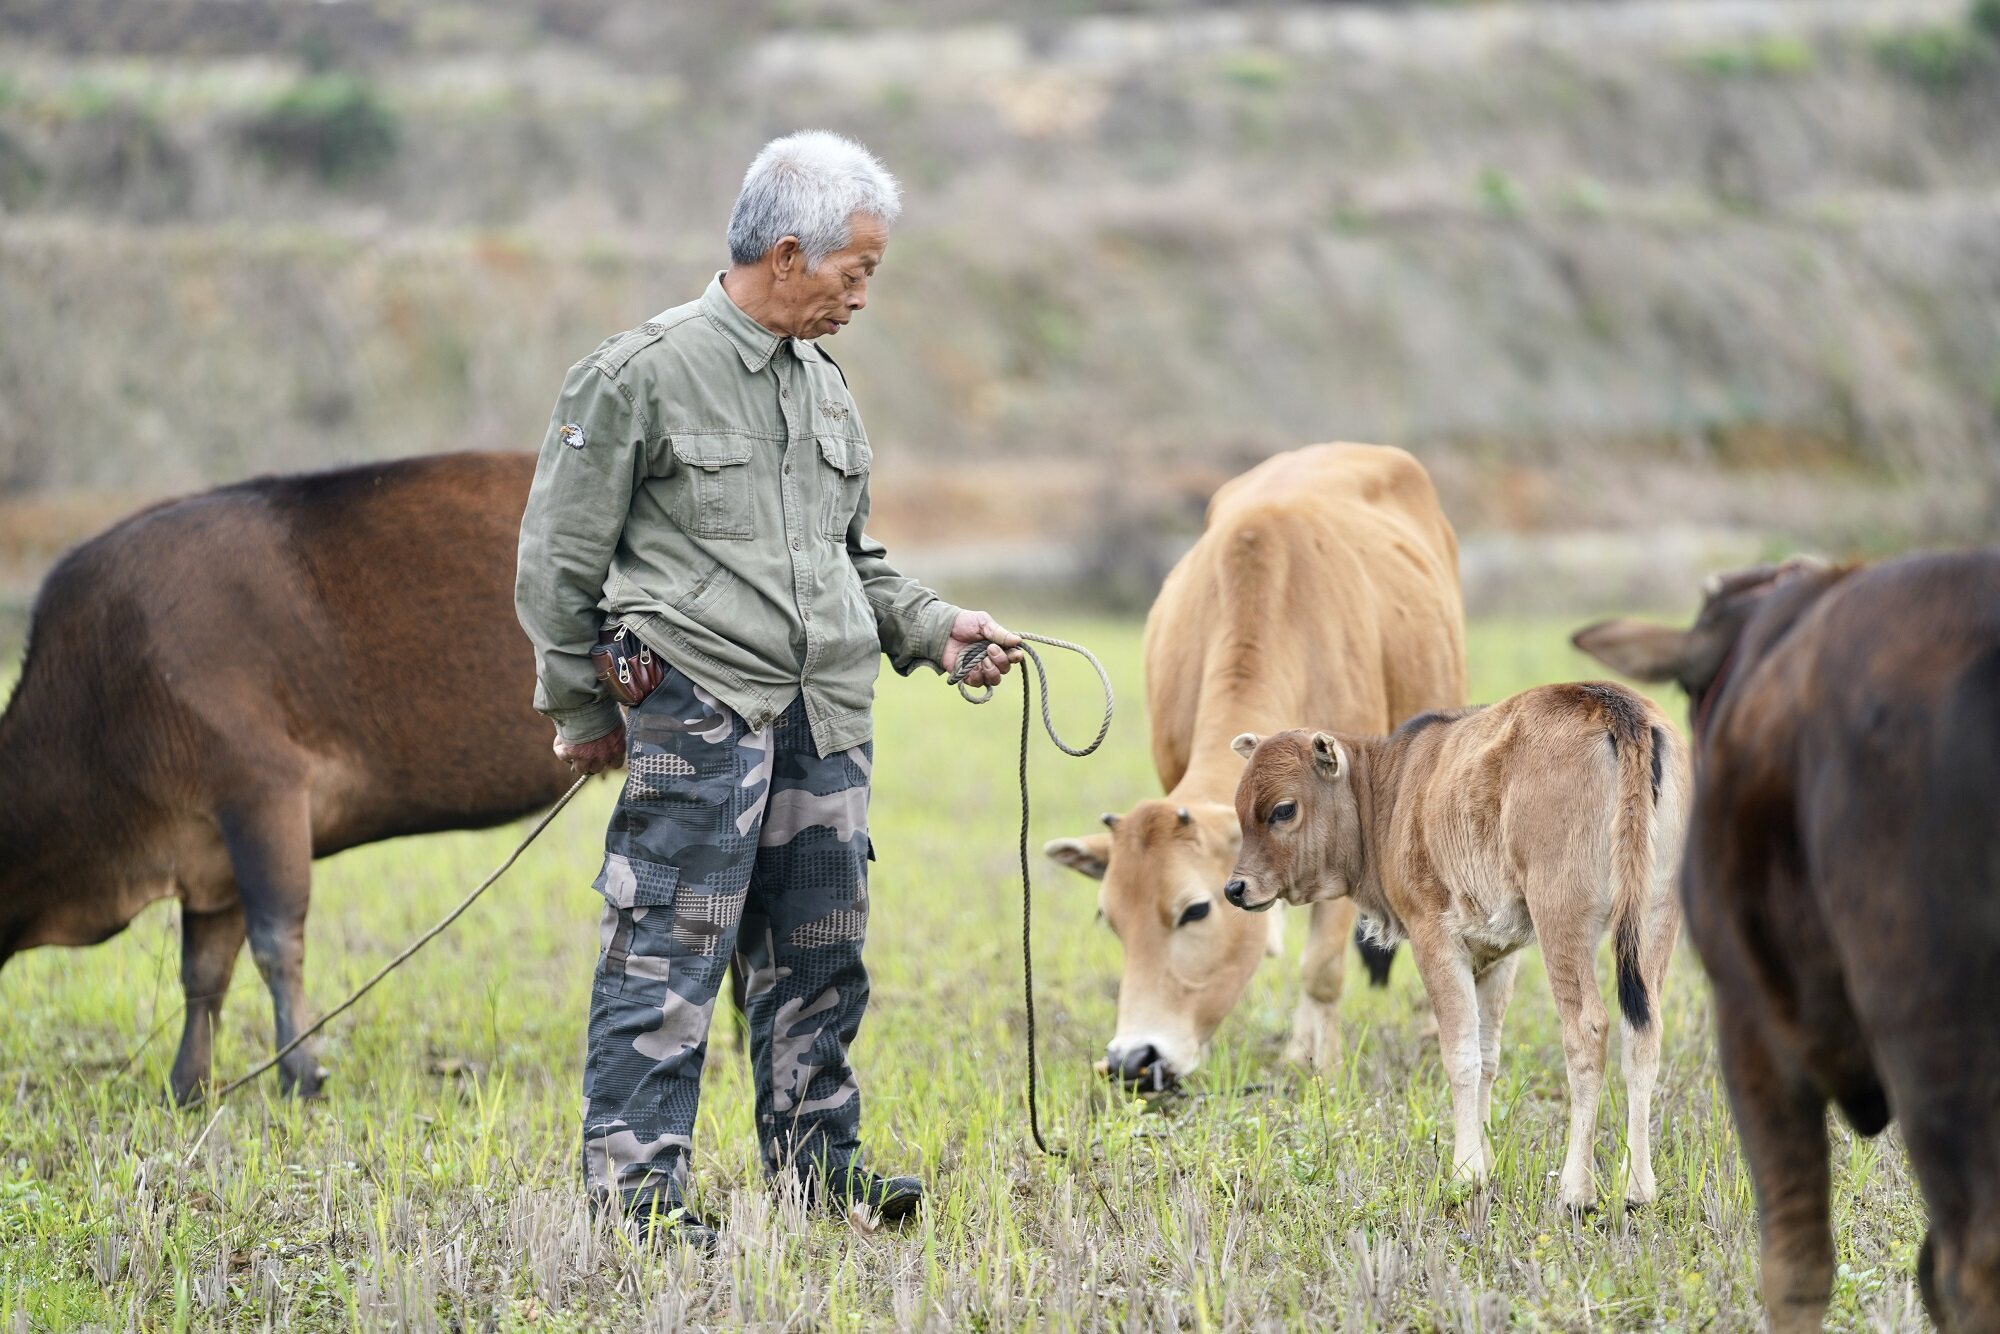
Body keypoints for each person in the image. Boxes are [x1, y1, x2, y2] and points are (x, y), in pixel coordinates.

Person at [514, 130, 1019, 1250]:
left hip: (824, 720)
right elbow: (555, 562)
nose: (863, 292)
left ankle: (819, 1170)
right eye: (859, 268)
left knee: (819, 955)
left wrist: (938, 632)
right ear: (787, 252)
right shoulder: (635, 373)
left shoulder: (825, 389)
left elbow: (853, 558)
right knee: (668, 954)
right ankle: (636, 1198)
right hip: (701, 711)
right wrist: (581, 713)